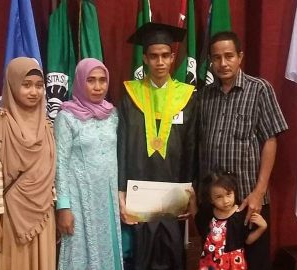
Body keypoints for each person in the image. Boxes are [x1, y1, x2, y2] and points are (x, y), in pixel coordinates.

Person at [197, 31, 288, 270]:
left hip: (248, 200)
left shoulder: (259, 89)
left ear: (240, 56)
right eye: (216, 58)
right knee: (217, 262)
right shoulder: (204, 96)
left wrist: (259, 191)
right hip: (215, 204)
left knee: (254, 261)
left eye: (229, 56)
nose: (223, 63)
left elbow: (270, 140)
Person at [118, 22, 198, 270]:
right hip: (138, 189)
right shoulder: (130, 95)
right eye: (154, 56)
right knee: (140, 256)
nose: (160, 62)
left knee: (173, 254)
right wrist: (120, 191)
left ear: (173, 57)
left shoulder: (187, 96)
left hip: (174, 190)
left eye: (165, 56)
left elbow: (193, 146)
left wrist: (192, 190)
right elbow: (120, 146)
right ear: (145, 58)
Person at [0, 57, 56, 270]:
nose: (34, 92)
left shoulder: (47, 124)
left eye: (39, 86)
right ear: (12, 85)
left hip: (44, 214)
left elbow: (50, 172)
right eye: (26, 85)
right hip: (10, 216)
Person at [54, 58, 123, 270]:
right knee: (80, 253)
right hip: (80, 201)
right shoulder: (66, 117)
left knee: (109, 249)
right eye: (91, 80)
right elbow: (60, 164)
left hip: (107, 199)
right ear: (80, 82)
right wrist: (63, 207)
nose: (98, 86)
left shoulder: (112, 115)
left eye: (103, 80)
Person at [195, 170, 267, 270]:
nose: (225, 201)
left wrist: (262, 227)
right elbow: (197, 220)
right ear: (211, 199)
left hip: (233, 264)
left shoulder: (240, 215)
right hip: (210, 262)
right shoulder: (208, 214)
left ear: (234, 191)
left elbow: (247, 240)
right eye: (219, 197)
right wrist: (192, 201)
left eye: (229, 194)